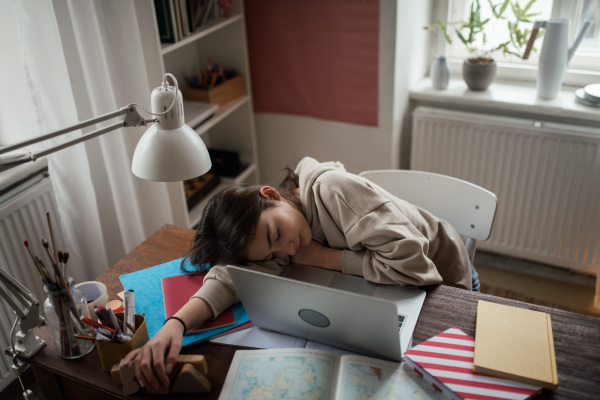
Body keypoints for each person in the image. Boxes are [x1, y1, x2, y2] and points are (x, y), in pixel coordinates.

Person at [123, 156, 478, 390]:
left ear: (271, 194)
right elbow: (229, 277)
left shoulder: (333, 191)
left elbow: (416, 268)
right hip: (395, 287)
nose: (287, 252)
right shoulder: (286, 232)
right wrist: (176, 324)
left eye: (275, 236)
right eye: (272, 253)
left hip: (448, 282)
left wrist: (325, 258)